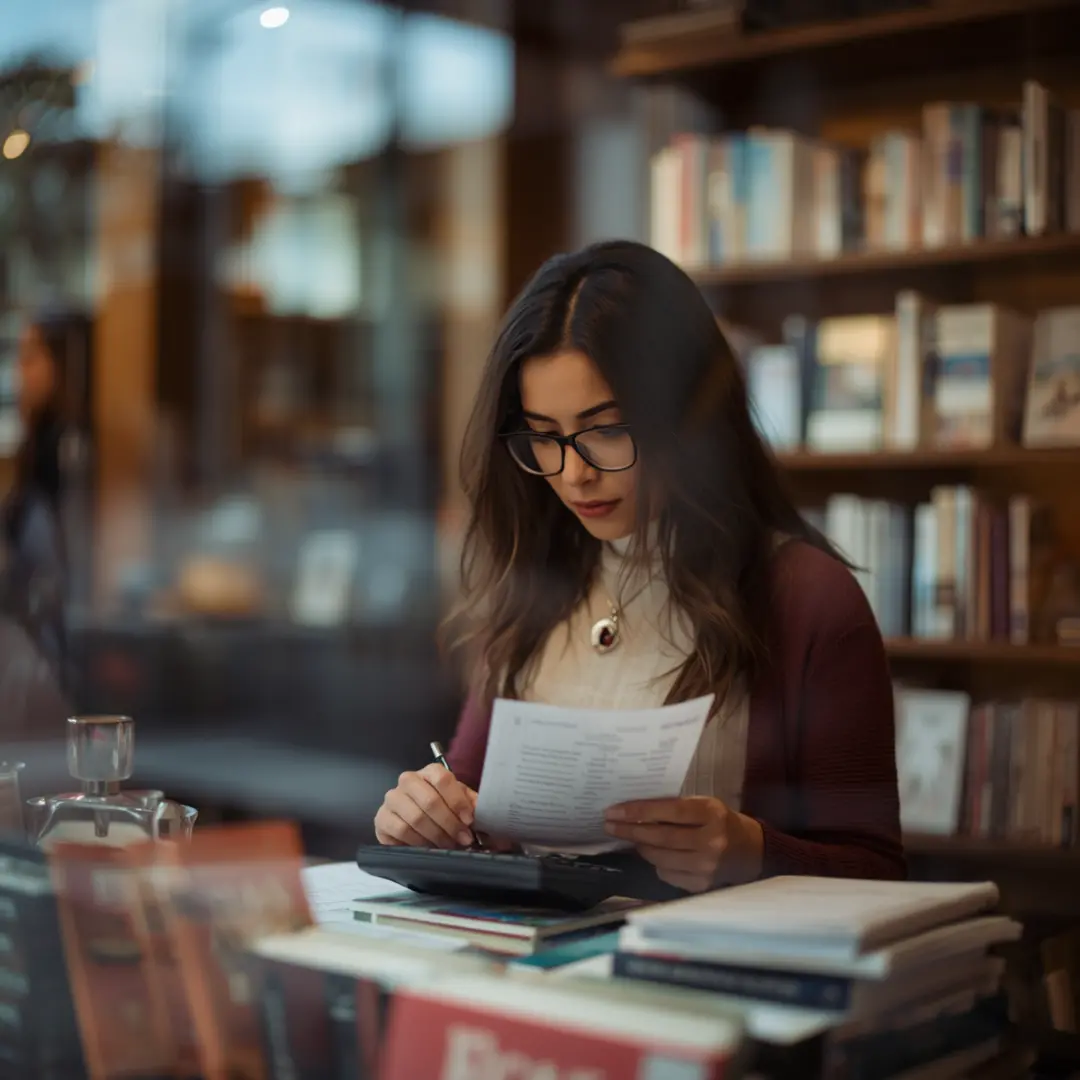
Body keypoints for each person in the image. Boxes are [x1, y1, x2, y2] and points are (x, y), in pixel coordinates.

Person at [374, 240, 904, 894]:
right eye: (544, 435)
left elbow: (879, 874)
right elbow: (472, 821)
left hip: (713, 979)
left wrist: (755, 853)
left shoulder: (807, 599)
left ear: (688, 420)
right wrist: (425, 821)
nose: (574, 473)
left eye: (607, 428)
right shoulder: (535, 589)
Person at [0, 308, 92, 687]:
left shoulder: (71, 450)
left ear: (65, 364)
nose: (20, 369)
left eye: (32, 355)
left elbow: (68, 567)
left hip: (60, 649)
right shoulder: (34, 450)